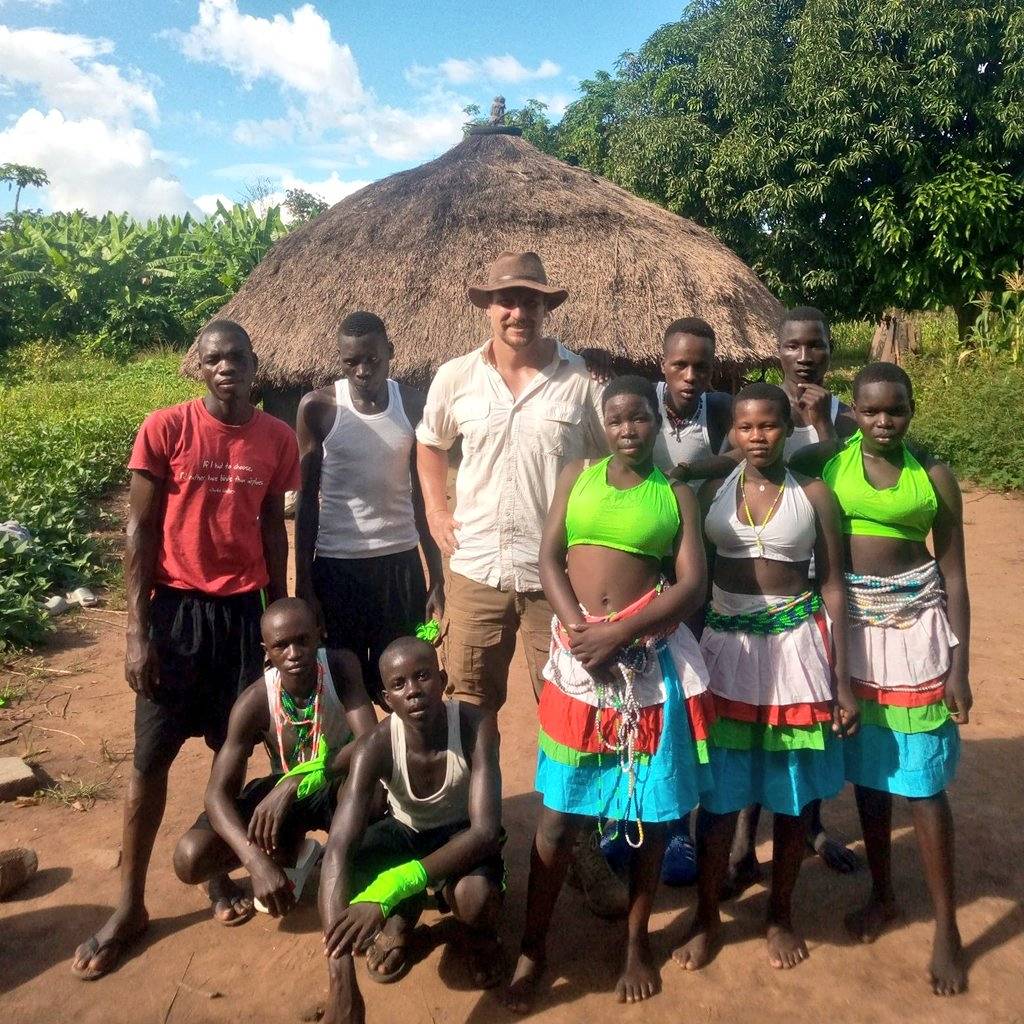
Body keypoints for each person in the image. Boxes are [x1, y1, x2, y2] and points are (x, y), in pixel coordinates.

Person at [71, 319, 300, 980]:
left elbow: (271, 529)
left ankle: (211, 868)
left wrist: (278, 613)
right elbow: (138, 528)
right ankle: (130, 905)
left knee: (236, 747)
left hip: (241, 617)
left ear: (258, 366)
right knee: (150, 759)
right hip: (174, 615)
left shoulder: (276, 438)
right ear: (200, 368)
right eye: (215, 358)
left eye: (239, 358)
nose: (228, 367)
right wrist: (136, 628)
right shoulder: (166, 429)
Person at [416, 250, 626, 917]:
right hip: (475, 570)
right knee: (468, 711)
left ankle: (583, 849)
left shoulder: (580, 386)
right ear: (487, 306)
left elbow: (605, 466)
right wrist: (437, 510)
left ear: (546, 309)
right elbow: (428, 446)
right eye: (505, 299)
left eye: (529, 301)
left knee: (569, 715)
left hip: (553, 580)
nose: (516, 311)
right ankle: (474, 843)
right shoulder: (454, 378)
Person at [505, 375, 713, 1011]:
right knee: (559, 815)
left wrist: (619, 633)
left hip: (642, 670)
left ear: (655, 421)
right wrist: (577, 630)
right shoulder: (578, 474)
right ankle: (533, 947)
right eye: (617, 419)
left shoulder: (674, 493)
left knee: (648, 815)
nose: (629, 429)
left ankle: (634, 944)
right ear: (604, 424)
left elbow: (692, 583)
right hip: (577, 665)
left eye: (640, 418)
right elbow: (548, 557)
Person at [793, 362, 971, 996]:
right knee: (871, 773)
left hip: (916, 633)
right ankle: (886, 893)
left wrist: (961, 667)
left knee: (922, 782)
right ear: (855, 414)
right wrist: (680, 471)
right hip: (854, 636)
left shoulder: (935, 476)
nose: (883, 421)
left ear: (911, 410)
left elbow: (953, 574)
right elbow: (744, 456)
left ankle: (946, 927)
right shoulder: (830, 463)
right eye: (871, 411)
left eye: (895, 410)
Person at [672, 383, 857, 973]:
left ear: (788, 427)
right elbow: (690, 580)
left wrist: (843, 681)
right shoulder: (709, 494)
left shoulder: (816, 495)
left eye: (770, 426)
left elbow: (832, 585)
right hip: (726, 648)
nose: (758, 437)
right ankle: (705, 916)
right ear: (733, 432)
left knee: (792, 794)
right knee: (720, 799)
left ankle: (780, 913)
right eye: (746, 427)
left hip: (796, 652)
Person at [727, 306, 861, 891]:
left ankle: (813, 826)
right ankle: (739, 842)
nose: (805, 356)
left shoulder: (849, 419)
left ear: (829, 350)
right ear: (777, 350)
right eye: (794, 346)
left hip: (822, 564)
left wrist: (821, 425)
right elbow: (733, 471)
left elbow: (844, 479)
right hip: (762, 576)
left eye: (816, 345)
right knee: (758, 710)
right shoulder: (757, 412)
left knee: (805, 715)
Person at [319, 638, 504, 1024]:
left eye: (422, 676)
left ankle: (478, 936)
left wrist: (399, 881)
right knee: (345, 866)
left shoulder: (475, 725)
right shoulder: (375, 744)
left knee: (476, 898)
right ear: (386, 699)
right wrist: (342, 983)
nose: (413, 691)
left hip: (463, 837)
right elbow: (338, 844)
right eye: (399, 684)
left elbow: (486, 831)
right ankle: (403, 917)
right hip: (408, 831)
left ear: (443, 679)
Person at [172, 598, 377, 918]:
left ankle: (349, 861)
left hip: (337, 783)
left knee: (374, 795)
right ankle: (291, 851)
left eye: (302, 640)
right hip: (284, 799)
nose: (294, 653)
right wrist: (255, 862)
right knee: (190, 856)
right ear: (266, 649)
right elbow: (216, 795)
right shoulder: (254, 701)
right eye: (281, 645)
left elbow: (369, 741)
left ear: (319, 634)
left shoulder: (340, 667)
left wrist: (297, 780)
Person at [295, 311, 443, 706]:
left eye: (373, 360)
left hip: (400, 566)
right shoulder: (319, 408)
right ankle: (352, 768)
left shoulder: (411, 404)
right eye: (351, 363)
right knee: (342, 688)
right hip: (337, 568)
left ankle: (400, 767)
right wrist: (305, 586)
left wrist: (436, 576)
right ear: (340, 361)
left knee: (403, 687)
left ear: (390, 352)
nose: (362, 371)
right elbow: (306, 502)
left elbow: (421, 496)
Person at [653, 317, 734, 488]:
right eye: (680, 365)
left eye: (700, 367)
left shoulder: (719, 408)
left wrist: (690, 471)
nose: (690, 377)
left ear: (712, 370)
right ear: (663, 365)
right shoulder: (646, 400)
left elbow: (747, 453)